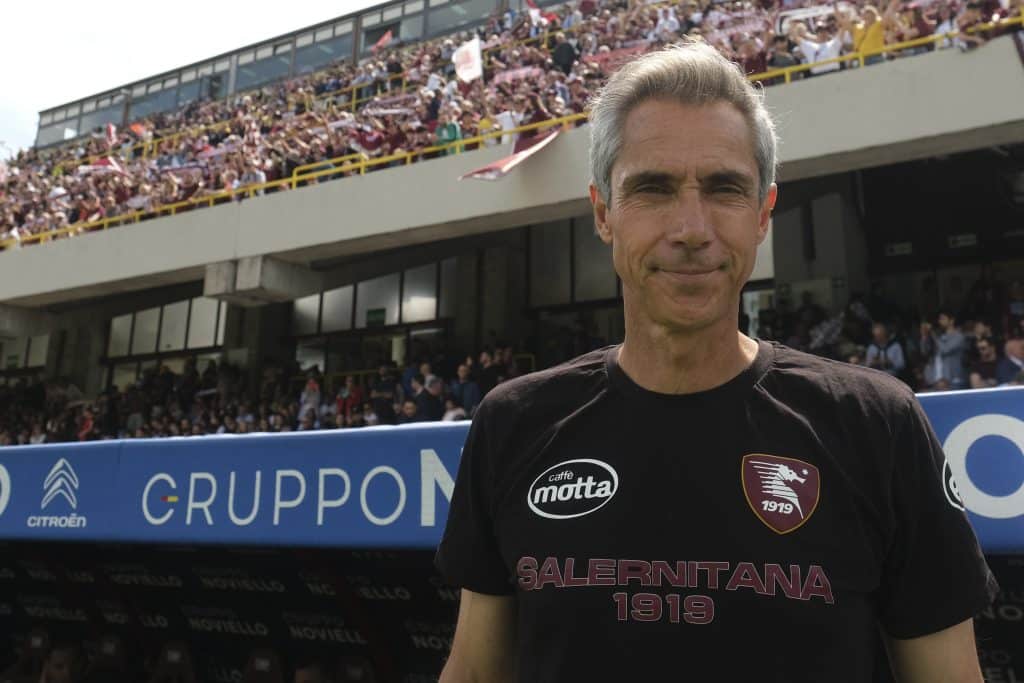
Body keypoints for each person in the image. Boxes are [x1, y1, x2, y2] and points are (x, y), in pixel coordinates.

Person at [436, 41, 995, 683]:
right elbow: (474, 672)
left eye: (724, 189)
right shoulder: (514, 422)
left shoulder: (878, 425)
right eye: (653, 189)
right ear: (603, 213)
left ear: (763, 215)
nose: (691, 229)